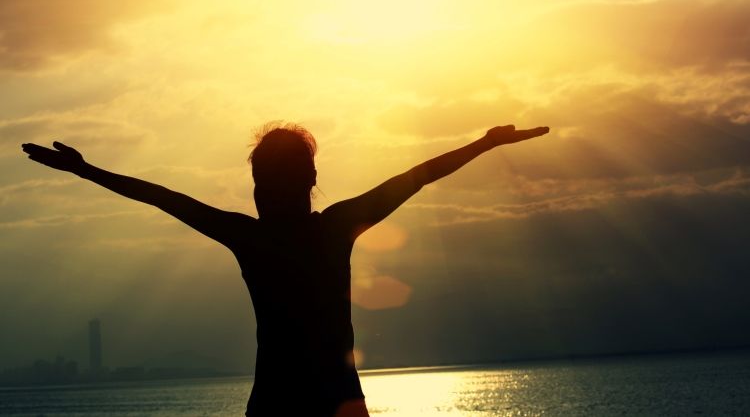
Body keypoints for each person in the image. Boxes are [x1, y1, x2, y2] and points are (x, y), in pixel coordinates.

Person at [21, 122, 549, 416]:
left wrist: (87, 171)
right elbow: (418, 176)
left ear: (301, 182)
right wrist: (483, 143)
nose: (261, 195)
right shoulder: (331, 227)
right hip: (330, 401)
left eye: (267, 183)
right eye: (260, 184)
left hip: (282, 405)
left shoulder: (258, 236)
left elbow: (163, 198)